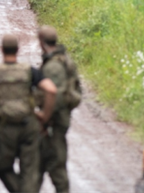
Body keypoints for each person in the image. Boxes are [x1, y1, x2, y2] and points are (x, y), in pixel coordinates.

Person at [0, 34, 57, 193]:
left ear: (1, 50)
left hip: (6, 127)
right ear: (18, 50)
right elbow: (51, 90)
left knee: (1, 164)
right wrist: (44, 117)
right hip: (29, 125)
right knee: (29, 169)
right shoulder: (29, 71)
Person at [35, 26, 82, 193]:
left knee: (55, 164)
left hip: (54, 121)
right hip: (59, 118)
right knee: (45, 162)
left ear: (41, 41)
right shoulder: (63, 59)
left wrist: (44, 119)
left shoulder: (53, 66)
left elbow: (55, 97)